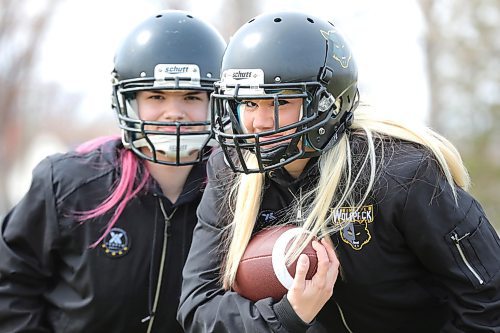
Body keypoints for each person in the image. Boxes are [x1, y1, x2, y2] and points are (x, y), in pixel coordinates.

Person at [177, 11, 500, 333]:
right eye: (249, 103)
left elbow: (487, 298)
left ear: (329, 103)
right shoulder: (230, 171)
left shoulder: (400, 172)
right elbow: (198, 307)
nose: (260, 122)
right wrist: (288, 315)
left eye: (280, 102)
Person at [0, 10, 226, 333]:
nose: (174, 112)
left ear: (215, 102)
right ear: (129, 101)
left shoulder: (237, 194)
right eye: (156, 95)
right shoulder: (70, 184)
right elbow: (10, 284)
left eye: (192, 96)